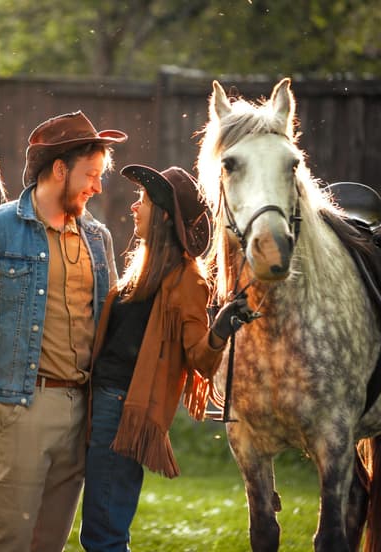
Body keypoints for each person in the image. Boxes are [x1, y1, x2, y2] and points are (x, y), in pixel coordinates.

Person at [0, 111, 127, 551]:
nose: (97, 186)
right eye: (91, 175)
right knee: (8, 538)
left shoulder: (97, 237)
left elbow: (112, 317)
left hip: (81, 407)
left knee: (49, 541)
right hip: (21, 404)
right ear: (60, 169)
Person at [79, 165, 250, 552]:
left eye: (143, 201)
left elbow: (200, 360)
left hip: (126, 412)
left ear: (165, 216)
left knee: (104, 535)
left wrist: (220, 329)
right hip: (102, 404)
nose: (134, 208)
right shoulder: (142, 271)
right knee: (101, 528)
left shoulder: (186, 278)